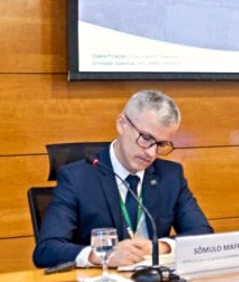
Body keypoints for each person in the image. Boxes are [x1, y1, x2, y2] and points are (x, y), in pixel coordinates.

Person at [33, 90, 213, 269]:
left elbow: (203, 235)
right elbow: (46, 250)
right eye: (146, 138)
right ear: (121, 124)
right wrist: (101, 255)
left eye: (161, 144)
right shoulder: (77, 178)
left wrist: (159, 247)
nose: (151, 153)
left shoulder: (170, 176)